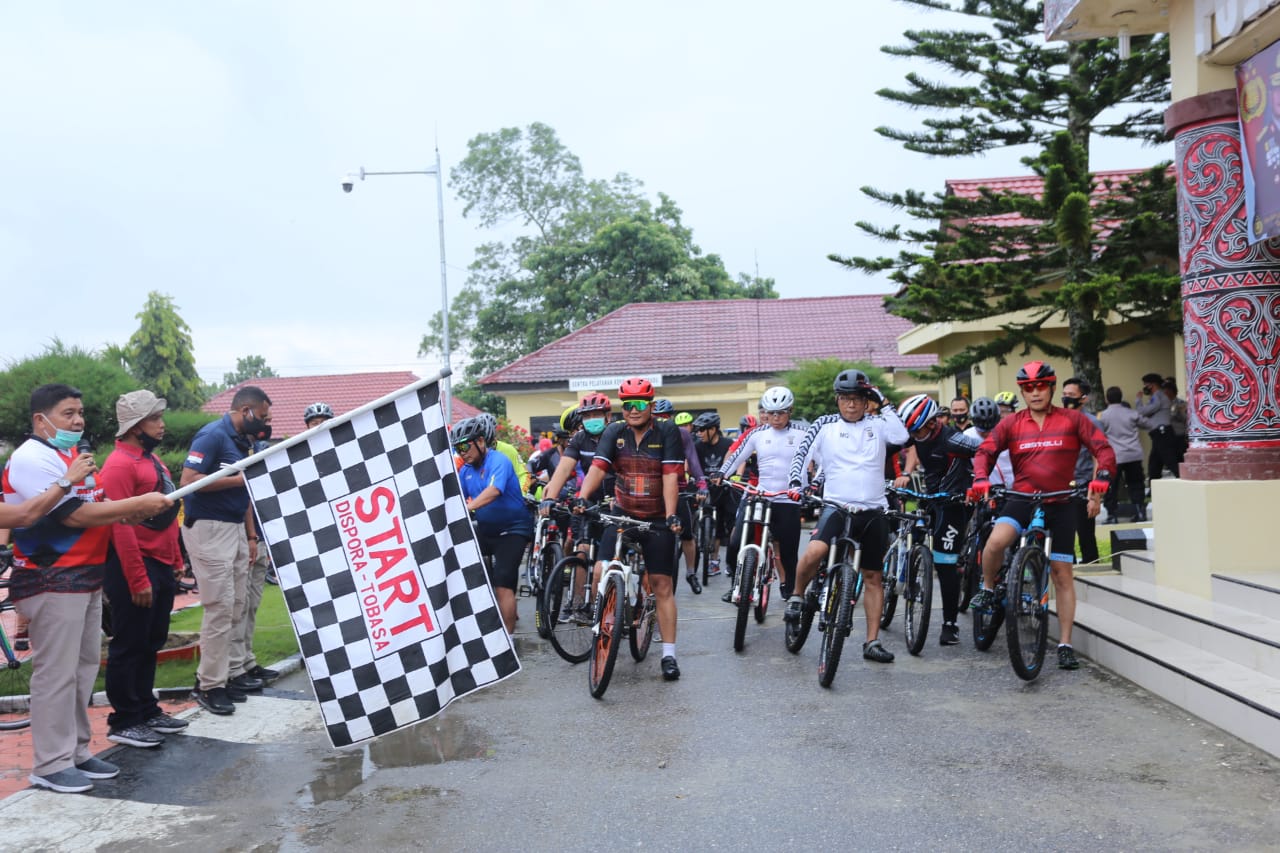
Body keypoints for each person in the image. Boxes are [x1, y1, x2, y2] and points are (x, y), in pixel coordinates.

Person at [2, 383, 173, 794]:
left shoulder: (67, 457)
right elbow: (72, 516)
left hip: (85, 578)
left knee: (81, 671)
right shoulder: (32, 458)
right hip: (52, 578)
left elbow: (94, 509)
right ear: (40, 419)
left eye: (80, 412)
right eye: (67, 413)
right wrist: (134, 506)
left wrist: (125, 515)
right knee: (56, 674)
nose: (78, 420)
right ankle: (50, 762)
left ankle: (76, 751)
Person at [970, 362, 1115, 671]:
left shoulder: (1073, 420)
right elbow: (985, 452)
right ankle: (986, 589)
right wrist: (981, 478)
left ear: (1051, 387)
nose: (1034, 392)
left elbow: (1103, 451)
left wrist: (1100, 479)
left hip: (1061, 501)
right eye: (1028, 388)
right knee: (996, 542)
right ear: (1023, 392)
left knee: (1062, 573)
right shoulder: (1011, 424)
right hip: (1021, 498)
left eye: (1041, 386)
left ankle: (1064, 643)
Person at [785, 369, 908, 664]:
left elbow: (902, 435)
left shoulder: (879, 424)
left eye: (857, 399)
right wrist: (794, 484)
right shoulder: (824, 424)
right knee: (816, 551)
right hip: (836, 507)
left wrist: (883, 399)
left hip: (873, 510)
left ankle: (872, 641)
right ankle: (797, 596)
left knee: (873, 577)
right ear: (838, 400)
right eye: (845, 399)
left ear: (867, 401)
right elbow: (802, 455)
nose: (851, 405)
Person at [575, 378, 685, 681]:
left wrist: (672, 514)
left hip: (657, 518)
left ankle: (669, 655)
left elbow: (670, 477)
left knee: (662, 585)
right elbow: (598, 468)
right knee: (601, 569)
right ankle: (607, 621)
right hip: (622, 514)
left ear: (650, 405)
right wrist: (582, 497)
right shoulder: (614, 431)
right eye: (627, 404)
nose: (633, 410)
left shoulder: (667, 431)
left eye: (639, 404)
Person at [99, 390, 189, 749]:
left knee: (151, 640)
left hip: (160, 563)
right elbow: (118, 524)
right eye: (154, 419)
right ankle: (124, 719)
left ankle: (147, 708)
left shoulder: (153, 461)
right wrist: (137, 578)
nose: (162, 425)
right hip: (134, 567)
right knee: (129, 642)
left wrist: (177, 560)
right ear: (136, 426)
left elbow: (166, 516)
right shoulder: (119, 465)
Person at [181, 385, 272, 716]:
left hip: (233, 526)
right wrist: (239, 480)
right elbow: (188, 480)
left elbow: (244, 493)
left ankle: (228, 673)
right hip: (208, 526)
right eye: (261, 416)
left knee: (236, 604)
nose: (264, 423)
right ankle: (208, 685)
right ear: (245, 410)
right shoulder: (213, 435)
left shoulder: (240, 442)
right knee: (220, 608)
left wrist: (250, 535)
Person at [893, 393, 980, 646]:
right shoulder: (916, 432)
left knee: (945, 563)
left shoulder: (953, 439)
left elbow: (988, 449)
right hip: (931, 497)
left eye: (917, 431)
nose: (914, 436)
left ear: (932, 423)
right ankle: (910, 581)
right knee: (914, 536)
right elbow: (894, 445)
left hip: (955, 504)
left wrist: (978, 480)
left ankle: (950, 624)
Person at [714, 386, 805, 605]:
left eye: (781, 412)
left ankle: (791, 593)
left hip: (788, 500)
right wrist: (721, 473)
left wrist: (814, 484)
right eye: (770, 412)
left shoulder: (803, 433)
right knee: (736, 543)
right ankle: (738, 585)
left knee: (789, 553)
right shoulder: (757, 434)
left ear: (790, 410)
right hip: (760, 497)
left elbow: (822, 460)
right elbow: (736, 456)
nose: (775, 417)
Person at [454, 417, 533, 634]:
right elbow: (455, 499)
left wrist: (468, 508)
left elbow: (493, 491)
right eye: (457, 448)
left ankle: (507, 638)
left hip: (513, 529)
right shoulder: (465, 471)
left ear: (480, 441)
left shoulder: (498, 461)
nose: (461, 452)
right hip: (487, 529)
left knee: (502, 582)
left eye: (464, 446)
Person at [653, 399, 706, 591]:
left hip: (679, 488)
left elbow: (692, 459)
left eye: (665, 417)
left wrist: (702, 485)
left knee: (687, 535)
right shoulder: (648, 433)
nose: (662, 420)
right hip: (653, 490)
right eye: (658, 417)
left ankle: (691, 572)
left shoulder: (682, 434)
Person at [1061, 377, 1104, 565]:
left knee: (1086, 535)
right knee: (1062, 537)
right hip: (1059, 486)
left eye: (1071, 395)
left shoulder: (1092, 422)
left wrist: (1095, 496)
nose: (1066, 398)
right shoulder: (1057, 419)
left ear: (1084, 398)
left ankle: (1092, 574)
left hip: (1082, 485)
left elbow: (1099, 460)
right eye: (1064, 395)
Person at [692, 412, 739, 577]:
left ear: (713, 429)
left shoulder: (727, 443)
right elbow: (689, 461)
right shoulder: (697, 446)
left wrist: (735, 477)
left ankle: (723, 560)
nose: (698, 433)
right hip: (705, 487)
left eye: (702, 430)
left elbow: (737, 459)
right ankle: (709, 556)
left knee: (727, 523)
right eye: (697, 430)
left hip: (724, 487)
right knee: (709, 520)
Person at [1098, 386, 1150, 523]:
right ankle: (1140, 512)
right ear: (1121, 398)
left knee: (1111, 486)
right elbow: (1147, 424)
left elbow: (1098, 434)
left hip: (1115, 456)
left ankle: (1112, 515)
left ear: (1107, 399)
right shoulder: (1131, 413)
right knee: (1136, 484)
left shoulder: (1103, 416)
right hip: (1133, 454)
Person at [1135, 372, 1180, 481]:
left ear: (1152, 385)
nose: (1145, 387)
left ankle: (1183, 479)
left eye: (1146, 384)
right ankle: (1153, 487)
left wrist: (1138, 400)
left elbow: (1142, 411)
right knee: (1154, 463)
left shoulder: (1157, 396)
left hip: (1162, 433)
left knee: (1170, 460)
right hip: (1158, 433)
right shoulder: (1157, 396)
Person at [1164, 377, 1189, 468]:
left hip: (1179, 436)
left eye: (1165, 391)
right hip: (1167, 437)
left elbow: (1186, 419)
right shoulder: (1162, 405)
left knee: (1181, 459)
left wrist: (1180, 411)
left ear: (1170, 391)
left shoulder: (1182, 404)